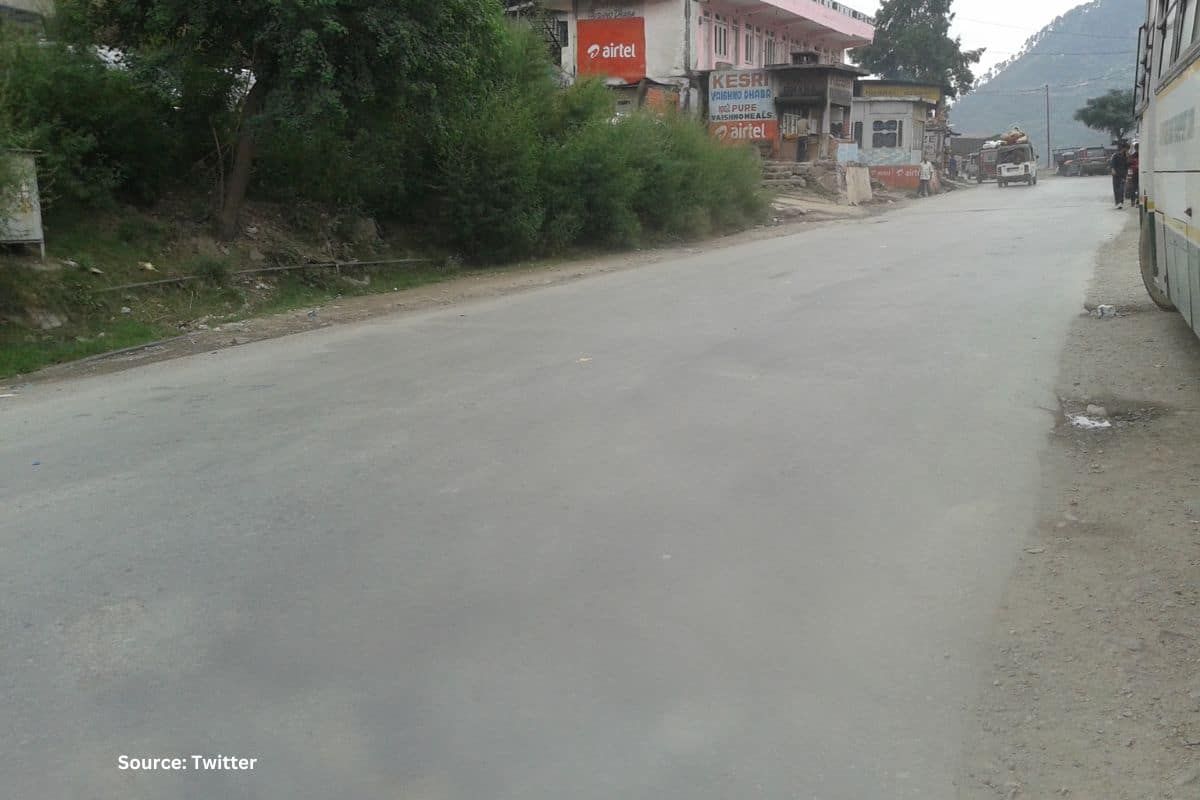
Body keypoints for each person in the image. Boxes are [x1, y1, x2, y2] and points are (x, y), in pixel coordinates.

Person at [1110, 141, 1130, 210]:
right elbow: (1112, 163)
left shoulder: (1126, 157)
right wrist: (1113, 169)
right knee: (1116, 189)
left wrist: (1127, 158)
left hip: (1123, 175)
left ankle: (1121, 202)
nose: (1127, 151)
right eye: (1127, 149)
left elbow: (1128, 166)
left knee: (1121, 189)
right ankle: (1117, 203)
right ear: (1123, 148)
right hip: (1116, 175)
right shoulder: (1115, 155)